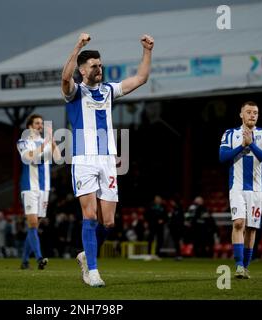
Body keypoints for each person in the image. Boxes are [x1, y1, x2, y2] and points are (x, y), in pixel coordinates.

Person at [61, 32, 154, 287]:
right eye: (94, 66)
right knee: (89, 216)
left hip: (107, 160)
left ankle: (85, 255)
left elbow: (141, 78)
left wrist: (147, 51)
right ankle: (92, 271)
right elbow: (65, 77)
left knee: (109, 222)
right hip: (83, 159)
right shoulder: (75, 92)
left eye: (100, 64)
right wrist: (78, 45)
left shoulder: (109, 90)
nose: (99, 68)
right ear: (83, 70)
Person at [219, 101, 262, 279]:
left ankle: (246, 266)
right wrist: (242, 145)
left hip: (256, 190)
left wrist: (252, 144)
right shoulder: (230, 134)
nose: (252, 115)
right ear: (241, 114)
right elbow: (222, 157)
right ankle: (239, 266)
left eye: (255, 113)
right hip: (236, 187)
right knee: (238, 223)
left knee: (251, 228)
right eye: (249, 112)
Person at [17, 114, 61, 269]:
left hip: (44, 189)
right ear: (29, 126)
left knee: (34, 227)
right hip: (29, 188)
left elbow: (58, 158)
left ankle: (24, 261)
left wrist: (53, 142)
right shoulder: (23, 142)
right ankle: (39, 258)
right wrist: (44, 146)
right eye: (37, 123)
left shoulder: (45, 142)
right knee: (33, 223)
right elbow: (27, 158)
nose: (40, 126)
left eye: (41, 123)